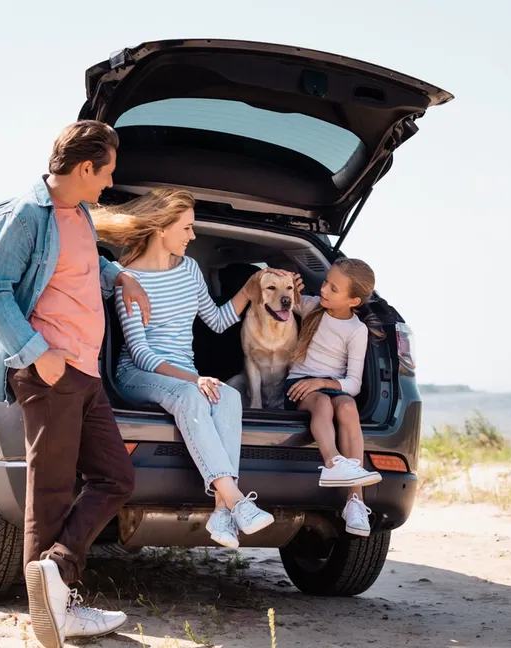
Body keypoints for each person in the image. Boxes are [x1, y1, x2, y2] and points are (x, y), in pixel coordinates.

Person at [0, 121, 150, 648]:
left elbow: (77, 264)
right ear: (84, 169)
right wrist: (38, 353)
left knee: (115, 477)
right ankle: (54, 613)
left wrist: (116, 274)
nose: (109, 184)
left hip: (87, 370)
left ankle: (55, 574)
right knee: (51, 493)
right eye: (107, 174)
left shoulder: (76, 212)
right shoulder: (28, 214)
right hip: (51, 371)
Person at [93, 188, 297, 550]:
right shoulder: (127, 278)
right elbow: (141, 354)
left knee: (230, 396)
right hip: (139, 375)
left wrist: (251, 291)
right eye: (187, 228)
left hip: (186, 374)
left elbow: (218, 321)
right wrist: (194, 378)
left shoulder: (189, 270)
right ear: (161, 228)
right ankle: (236, 500)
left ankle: (221, 513)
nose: (193, 235)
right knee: (192, 394)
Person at [285, 258, 385, 537]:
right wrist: (291, 287)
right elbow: (285, 301)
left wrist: (323, 381)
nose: (324, 290)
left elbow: (353, 384)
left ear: (353, 301)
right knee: (322, 402)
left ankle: (355, 502)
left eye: (334, 288)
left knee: (348, 405)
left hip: (330, 385)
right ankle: (332, 464)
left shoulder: (356, 331)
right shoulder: (312, 306)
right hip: (300, 386)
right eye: (326, 282)